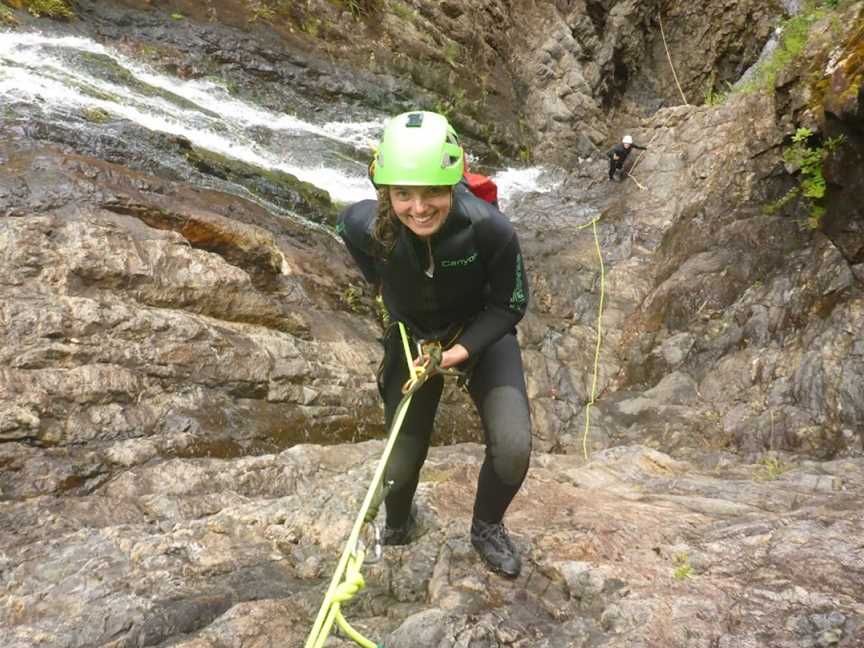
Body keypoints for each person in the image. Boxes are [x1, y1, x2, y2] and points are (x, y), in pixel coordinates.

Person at [337, 110, 532, 578]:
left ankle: (487, 527)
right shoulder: (364, 225)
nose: (419, 208)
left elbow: (511, 304)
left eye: (432, 192)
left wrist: (454, 355)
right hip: (412, 338)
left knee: (513, 446)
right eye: (403, 194)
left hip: (478, 332)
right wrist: (388, 294)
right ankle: (399, 523)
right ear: (386, 191)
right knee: (399, 465)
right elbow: (356, 246)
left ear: (452, 185)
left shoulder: (489, 229)